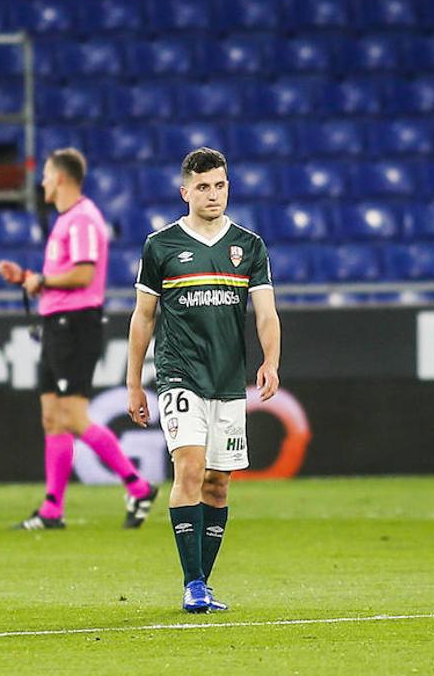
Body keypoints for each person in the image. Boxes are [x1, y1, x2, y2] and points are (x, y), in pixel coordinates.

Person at [126, 147, 281, 613]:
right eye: (203, 187)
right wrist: (134, 382)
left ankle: (203, 582)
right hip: (179, 373)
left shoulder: (249, 246)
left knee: (218, 483)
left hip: (228, 379)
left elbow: (266, 312)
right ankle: (192, 584)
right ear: (185, 192)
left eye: (219, 185)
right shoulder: (161, 245)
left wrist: (271, 361)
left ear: (228, 186)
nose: (212, 195)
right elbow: (143, 316)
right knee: (189, 468)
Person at [0, 148, 158, 531]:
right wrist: (28, 279)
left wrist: (42, 281)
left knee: (72, 416)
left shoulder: (84, 218)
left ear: (62, 178)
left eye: (47, 176)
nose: (42, 183)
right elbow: (63, 278)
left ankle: (137, 486)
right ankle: (53, 508)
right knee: (52, 417)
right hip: (57, 324)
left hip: (76, 325)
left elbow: (84, 275)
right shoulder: (67, 220)